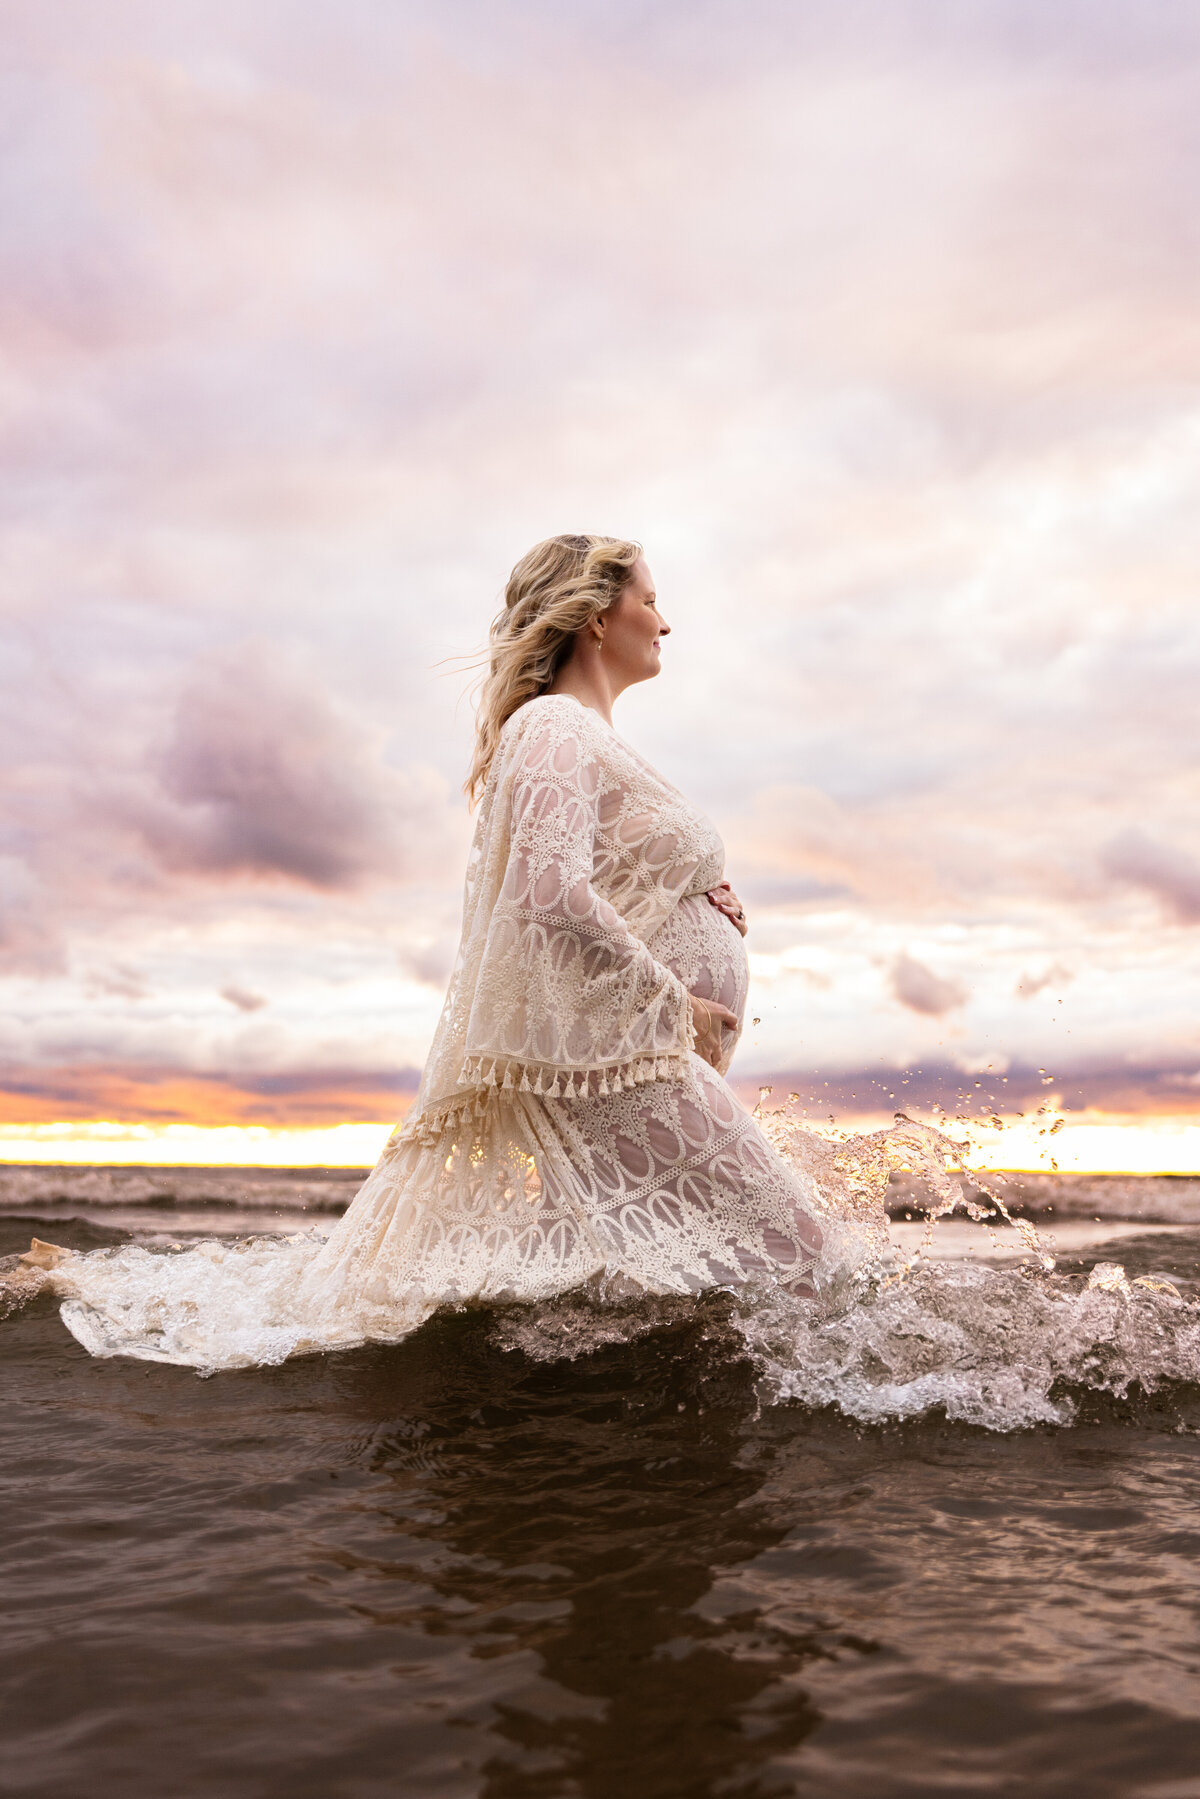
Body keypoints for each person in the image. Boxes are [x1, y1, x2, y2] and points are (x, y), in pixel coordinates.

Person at [26, 534, 825, 1370]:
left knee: (685, 1285)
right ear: (595, 616)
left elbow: (598, 876)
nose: (666, 619)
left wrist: (697, 892)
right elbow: (547, 892)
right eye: (651, 599)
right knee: (809, 1263)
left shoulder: (586, 734)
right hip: (627, 1063)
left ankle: (601, 1450)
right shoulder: (553, 724)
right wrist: (675, 1002)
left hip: (635, 1060)